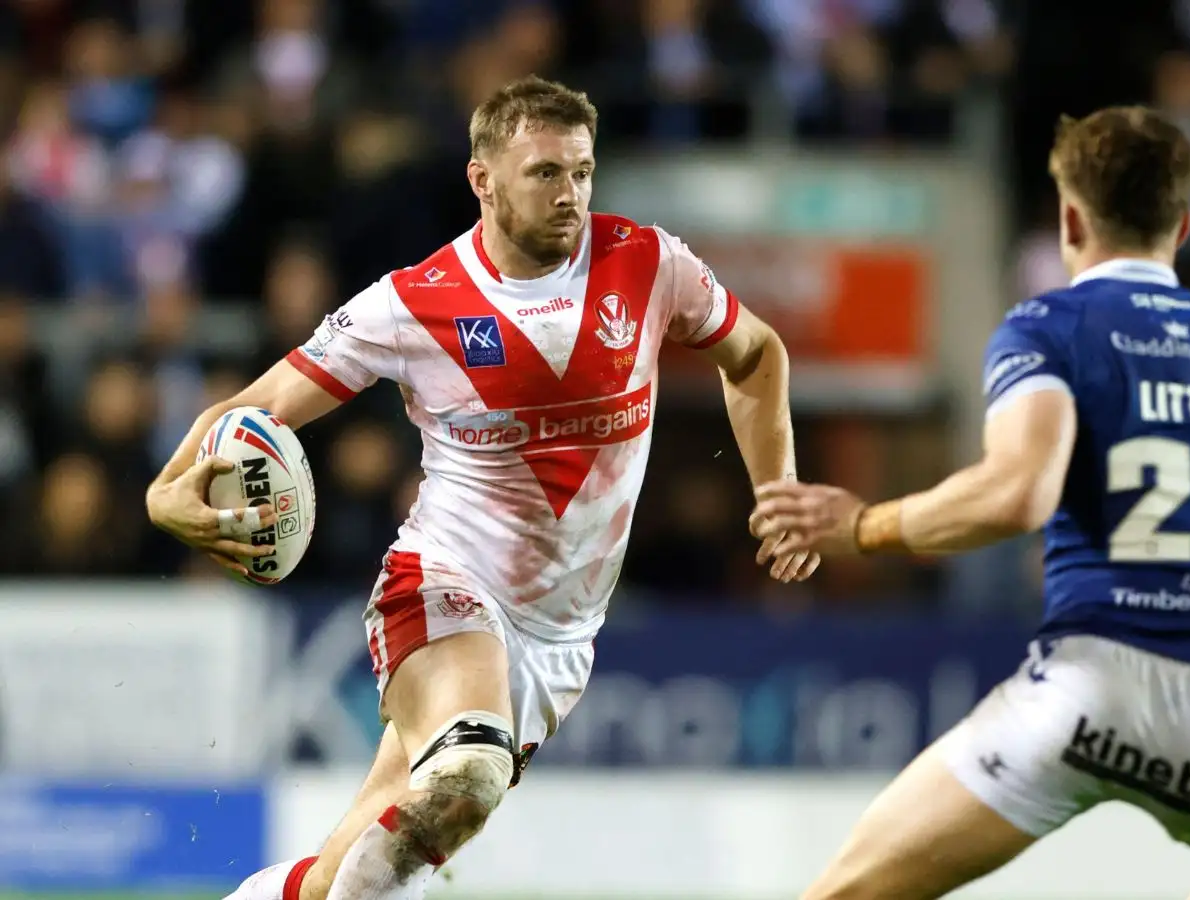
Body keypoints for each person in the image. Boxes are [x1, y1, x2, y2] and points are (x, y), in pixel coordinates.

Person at [146, 75, 819, 900]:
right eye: (544, 172)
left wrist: (777, 487)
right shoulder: (412, 303)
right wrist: (164, 493)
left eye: (582, 172)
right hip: (445, 582)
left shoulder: (647, 263)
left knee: (369, 861)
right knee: (467, 768)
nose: (569, 194)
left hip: (560, 635)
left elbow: (755, 355)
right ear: (483, 179)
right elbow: (257, 406)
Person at [751, 107, 1190, 900]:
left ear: (1069, 218)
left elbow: (1018, 494)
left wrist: (864, 526)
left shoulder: (1049, 329)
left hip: (1091, 699)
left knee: (843, 893)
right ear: (1184, 225)